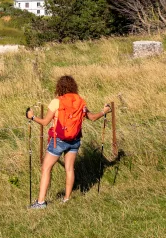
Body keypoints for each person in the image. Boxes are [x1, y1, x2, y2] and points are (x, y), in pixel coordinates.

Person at [26, 75, 111, 209]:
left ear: (59, 87)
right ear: (73, 86)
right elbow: (93, 118)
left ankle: (41, 202)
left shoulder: (56, 102)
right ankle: (66, 198)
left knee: (46, 168)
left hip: (58, 140)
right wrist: (104, 111)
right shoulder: (80, 101)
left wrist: (32, 117)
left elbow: (45, 122)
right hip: (75, 140)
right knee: (69, 168)